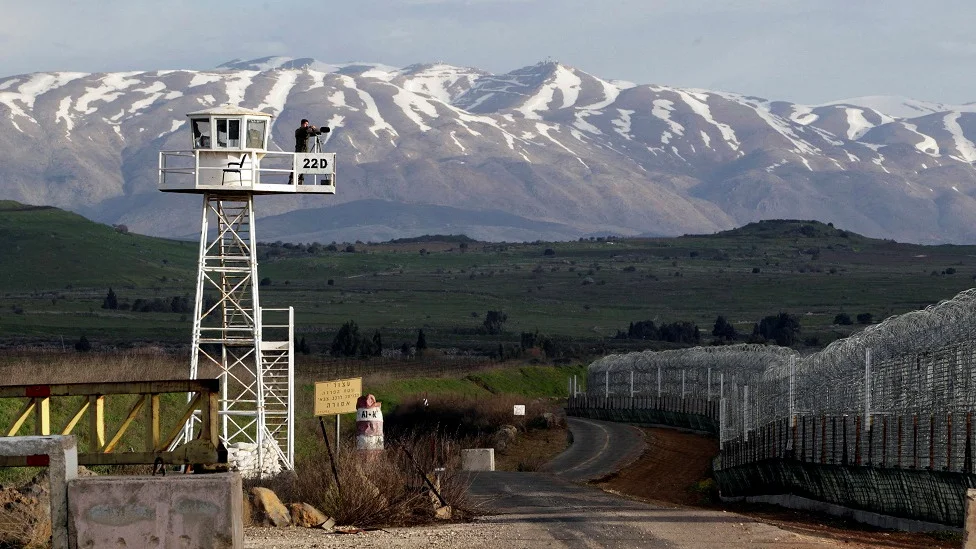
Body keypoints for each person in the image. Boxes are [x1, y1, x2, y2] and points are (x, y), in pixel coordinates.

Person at [292, 119, 319, 185]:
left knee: (303, 166)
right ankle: (292, 179)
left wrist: (316, 129)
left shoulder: (307, 131)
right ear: (302, 124)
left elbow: (315, 132)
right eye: (305, 124)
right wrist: (309, 127)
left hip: (305, 152)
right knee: (296, 165)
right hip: (299, 151)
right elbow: (303, 131)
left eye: (307, 124)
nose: (307, 125)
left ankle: (301, 180)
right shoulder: (298, 131)